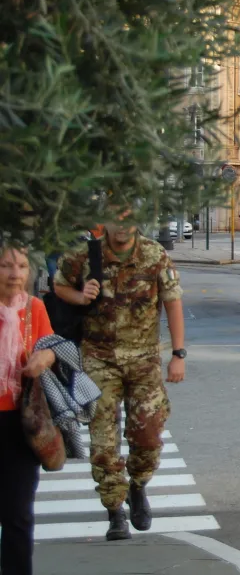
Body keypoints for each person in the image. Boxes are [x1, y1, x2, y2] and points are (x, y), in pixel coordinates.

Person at [53, 218, 186, 541]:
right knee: (103, 442)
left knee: (149, 433)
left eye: (128, 219)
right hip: (99, 360)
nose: (122, 227)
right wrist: (81, 295)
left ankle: (137, 485)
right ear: (106, 222)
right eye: (116, 219)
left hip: (144, 360)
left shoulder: (154, 254)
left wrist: (178, 354)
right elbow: (59, 287)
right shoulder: (85, 256)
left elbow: (172, 301)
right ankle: (115, 511)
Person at [1, 245, 57, 575]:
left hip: (21, 423)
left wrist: (42, 359)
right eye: (7, 266)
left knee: (18, 513)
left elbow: (50, 346)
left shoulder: (34, 308)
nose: (15, 273)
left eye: (22, 266)